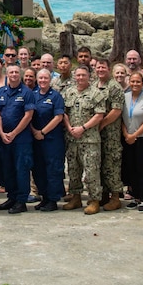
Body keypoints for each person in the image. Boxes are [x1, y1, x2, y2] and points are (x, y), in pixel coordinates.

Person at [62, 66, 106, 214]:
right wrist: (69, 128)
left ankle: (94, 200)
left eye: (83, 75)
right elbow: (64, 112)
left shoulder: (96, 94)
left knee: (91, 171)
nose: (80, 78)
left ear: (89, 76)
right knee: (73, 170)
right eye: (78, 75)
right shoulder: (69, 92)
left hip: (89, 140)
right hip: (72, 139)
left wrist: (83, 128)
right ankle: (76, 197)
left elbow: (99, 115)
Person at [0, 64, 36, 214]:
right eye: (11, 72)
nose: (13, 74)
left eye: (16, 72)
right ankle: (11, 197)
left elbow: (28, 116)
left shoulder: (27, 93)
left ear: (20, 75)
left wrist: (13, 133)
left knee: (21, 170)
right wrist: (1, 133)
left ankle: (21, 201)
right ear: (7, 74)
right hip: (4, 139)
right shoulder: (1, 92)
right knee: (8, 169)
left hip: (21, 140)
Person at [30, 69, 65, 212]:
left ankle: (53, 200)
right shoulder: (33, 95)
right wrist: (35, 132)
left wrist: (43, 132)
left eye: (45, 78)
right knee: (38, 170)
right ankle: (44, 197)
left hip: (52, 140)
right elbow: (28, 115)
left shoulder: (56, 96)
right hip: (36, 140)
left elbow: (58, 117)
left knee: (53, 170)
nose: (43, 80)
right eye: (40, 78)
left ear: (50, 79)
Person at [121, 71, 143, 211]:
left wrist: (134, 135)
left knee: (142, 168)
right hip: (127, 138)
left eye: (138, 82)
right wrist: (126, 134)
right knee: (131, 168)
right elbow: (121, 118)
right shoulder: (125, 97)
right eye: (133, 81)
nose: (135, 84)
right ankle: (135, 197)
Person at [94, 58, 125, 211]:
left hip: (110, 134)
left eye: (103, 67)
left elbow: (116, 110)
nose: (100, 70)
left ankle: (115, 197)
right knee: (100, 165)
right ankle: (103, 195)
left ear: (109, 69)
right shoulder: (94, 85)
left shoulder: (115, 87)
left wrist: (101, 124)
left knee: (112, 165)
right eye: (98, 67)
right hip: (96, 134)